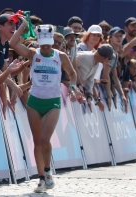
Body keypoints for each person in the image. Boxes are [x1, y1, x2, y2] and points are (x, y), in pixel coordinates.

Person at [10, 21, 83, 193]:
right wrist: (22, 27)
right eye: (42, 45)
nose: (45, 48)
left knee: (44, 140)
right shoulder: (33, 54)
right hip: (34, 101)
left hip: (52, 102)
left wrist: (72, 87)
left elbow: (72, 73)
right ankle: (41, 178)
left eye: (48, 45)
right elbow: (13, 44)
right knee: (37, 142)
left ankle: (48, 171)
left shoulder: (60, 56)